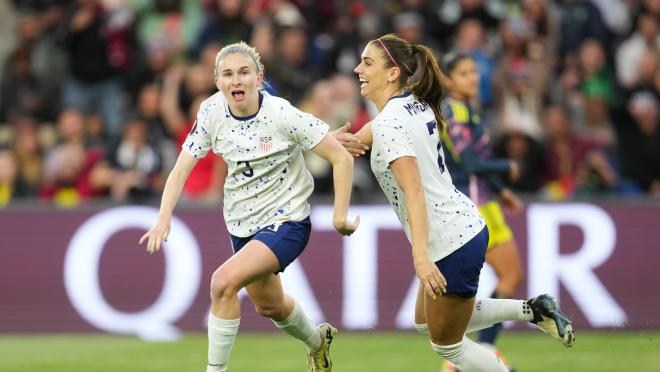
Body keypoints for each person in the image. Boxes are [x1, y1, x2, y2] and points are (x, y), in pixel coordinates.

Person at [336, 33, 573, 371]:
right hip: (462, 226)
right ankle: (533, 310)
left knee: (448, 347)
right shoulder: (411, 104)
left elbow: (414, 191)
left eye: (367, 62)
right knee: (424, 323)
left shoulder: (390, 121)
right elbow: (353, 145)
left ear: (392, 73)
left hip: (449, 241)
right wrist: (326, 143)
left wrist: (420, 258)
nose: (358, 69)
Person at [139, 41, 359, 372]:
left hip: (287, 220)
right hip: (242, 223)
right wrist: (162, 218)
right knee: (270, 307)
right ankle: (317, 343)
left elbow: (340, 158)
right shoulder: (212, 113)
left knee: (222, 282)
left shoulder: (282, 113)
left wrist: (339, 215)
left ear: (259, 78)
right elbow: (181, 169)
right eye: (228, 74)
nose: (236, 80)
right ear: (217, 81)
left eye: (244, 73)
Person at [438, 52, 526, 371]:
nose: (472, 78)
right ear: (447, 80)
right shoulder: (452, 111)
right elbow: (471, 164)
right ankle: (469, 355)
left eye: (474, 71)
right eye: (463, 73)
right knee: (496, 279)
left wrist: (502, 191)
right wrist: (508, 166)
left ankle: (476, 351)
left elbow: (475, 162)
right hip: (471, 207)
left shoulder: (469, 109)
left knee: (511, 275)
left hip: (486, 201)